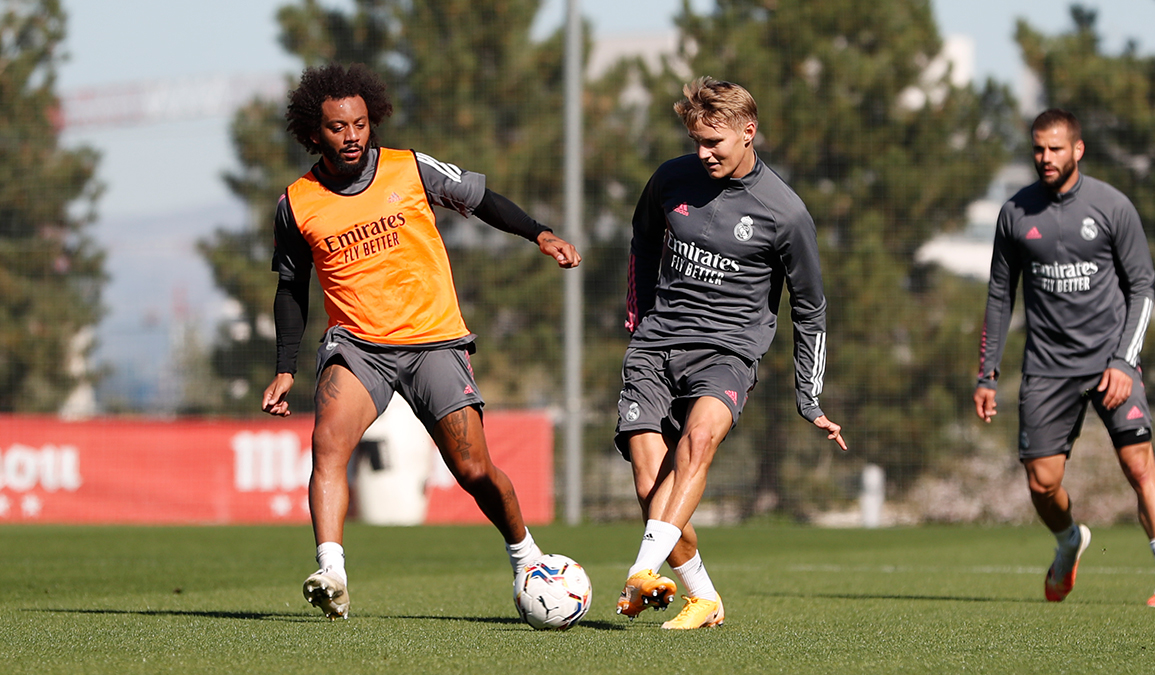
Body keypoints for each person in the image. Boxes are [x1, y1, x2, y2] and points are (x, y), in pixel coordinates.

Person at [261, 63, 581, 620]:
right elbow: (291, 288)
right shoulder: (297, 203)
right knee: (328, 443)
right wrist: (286, 366)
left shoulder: (410, 169)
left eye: (360, 122)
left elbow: (482, 200)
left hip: (434, 341)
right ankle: (331, 571)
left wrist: (540, 233)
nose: (353, 135)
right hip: (358, 346)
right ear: (314, 133)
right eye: (338, 127)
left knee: (474, 470)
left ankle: (526, 555)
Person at [615, 77, 847, 630]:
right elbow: (643, 240)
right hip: (656, 345)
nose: (703, 153)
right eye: (696, 140)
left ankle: (640, 571)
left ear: (749, 132)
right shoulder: (670, 179)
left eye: (714, 142)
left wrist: (808, 396)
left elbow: (810, 305)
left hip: (727, 352)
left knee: (697, 444)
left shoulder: (785, 212)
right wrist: (640, 314)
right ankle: (705, 598)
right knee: (652, 488)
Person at [975, 108, 1155, 607]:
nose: (1045, 158)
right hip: (1047, 369)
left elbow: (1143, 287)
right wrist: (987, 372)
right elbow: (999, 296)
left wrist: (1124, 362)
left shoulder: (1112, 206)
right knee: (1042, 483)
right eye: (1038, 149)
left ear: (1078, 150)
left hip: (1112, 363)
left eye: (1055, 148)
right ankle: (1070, 542)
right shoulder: (1015, 213)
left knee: (1140, 466)